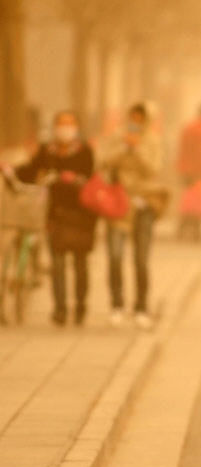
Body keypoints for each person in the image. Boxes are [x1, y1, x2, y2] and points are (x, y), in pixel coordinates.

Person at [14, 110, 96, 326]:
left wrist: (74, 180)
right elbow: (30, 172)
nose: (65, 128)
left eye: (69, 123)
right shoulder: (47, 151)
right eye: (61, 123)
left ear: (77, 127)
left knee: (80, 265)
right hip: (55, 215)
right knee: (57, 264)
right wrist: (9, 170)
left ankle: (80, 306)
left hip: (81, 217)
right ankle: (60, 309)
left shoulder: (85, 151)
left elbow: (91, 180)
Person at [101, 102, 162, 329]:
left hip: (143, 203)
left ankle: (141, 307)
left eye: (140, 119)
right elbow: (103, 162)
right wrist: (123, 148)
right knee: (115, 255)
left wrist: (136, 150)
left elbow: (153, 170)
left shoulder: (153, 141)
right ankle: (117, 305)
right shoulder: (117, 137)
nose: (135, 123)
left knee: (141, 259)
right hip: (118, 203)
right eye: (132, 118)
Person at [176, 104, 201, 240]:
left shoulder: (192, 127)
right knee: (195, 201)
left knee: (192, 200)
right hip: (194, 171)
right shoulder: (200, 129)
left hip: (189, 169)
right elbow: (199, 153)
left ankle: (188, 230)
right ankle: (189, 230)